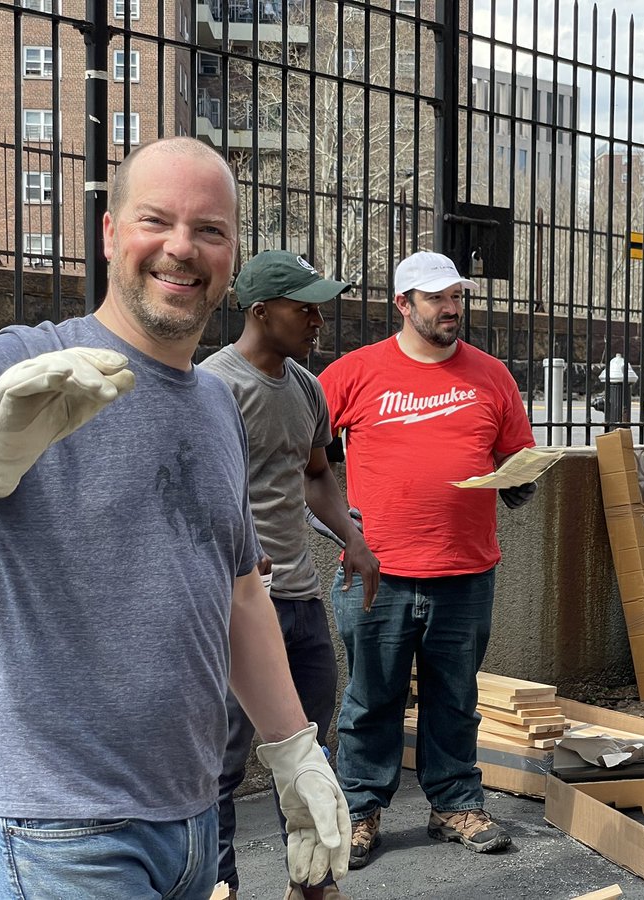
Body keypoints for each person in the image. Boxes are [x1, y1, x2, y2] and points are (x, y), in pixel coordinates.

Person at [0, 137, 350, 900]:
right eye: (157, 221)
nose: (182, 248)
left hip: (188, 827)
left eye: (209, 229)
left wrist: (292, 752)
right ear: (112, 233)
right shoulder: (21, 362)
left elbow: (242, 591)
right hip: (53, 831)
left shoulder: (217, 402)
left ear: (232, 254)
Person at [317, 251, 537, 869]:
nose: (450, 309)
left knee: (455, 695)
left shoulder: (491, 376)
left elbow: (517, 454)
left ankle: (455, 805)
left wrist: (518, 481)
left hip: (466, 570)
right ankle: (359, 811)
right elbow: (308, 457)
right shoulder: (353, 373)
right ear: (403, 304)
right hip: (375, 572)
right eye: (436, 298)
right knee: (369, 697)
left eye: (457, 297)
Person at [200, 250, 380, 900]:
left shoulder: (307, 387)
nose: (316, 317)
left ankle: (309, 886)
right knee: (217, 766)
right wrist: (232, 556)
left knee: (307, 759)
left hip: (301, 603)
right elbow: (191, 492)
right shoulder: (211, 387)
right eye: (301, 306)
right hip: (239, 605)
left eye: (318, 304)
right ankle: (216, 887)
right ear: (258, 310)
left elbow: (315, 474)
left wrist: (352, 539)